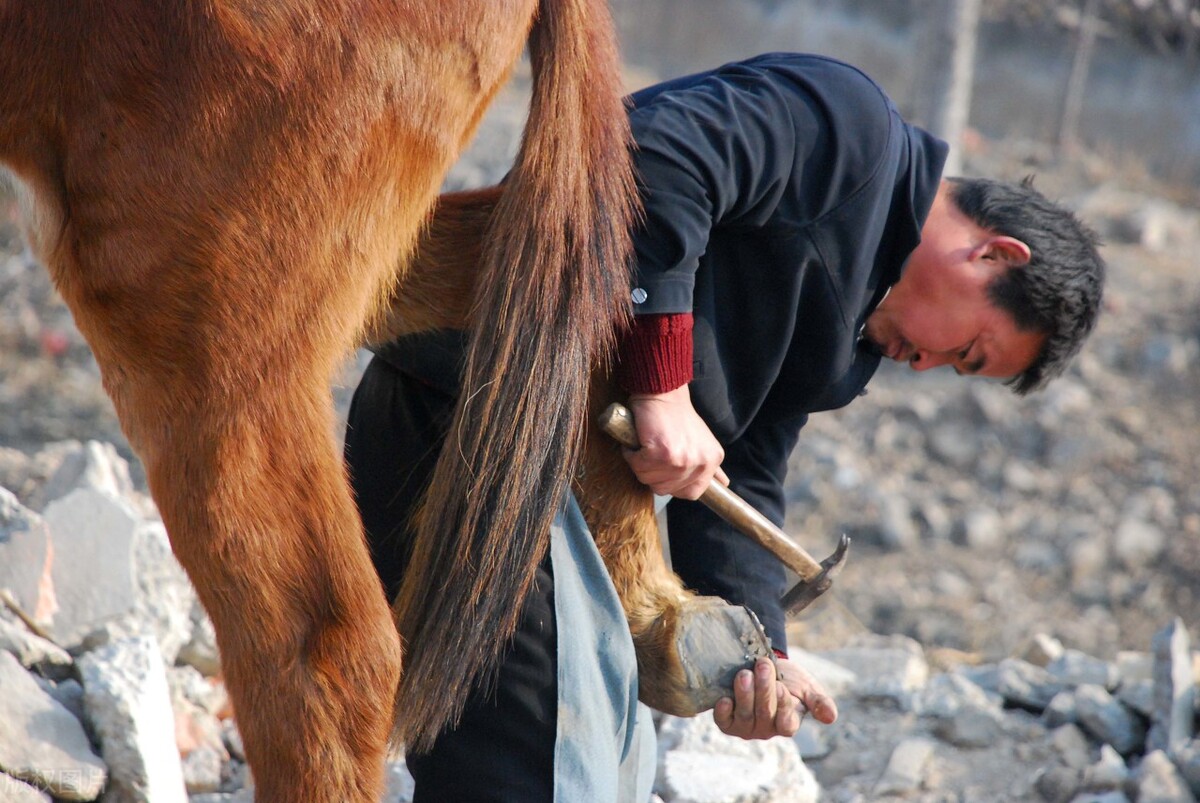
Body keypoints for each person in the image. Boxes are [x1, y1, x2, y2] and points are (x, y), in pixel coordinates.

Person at [344, 52, 1105, 801]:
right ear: (994, 254)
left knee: (581, 754)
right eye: (968, 351)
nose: (931, 365)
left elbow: (745, 472)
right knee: (543, 760)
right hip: (483, 400)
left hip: (531, 450)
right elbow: (649, 157)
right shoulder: (848, 129)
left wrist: (760, 651)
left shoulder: (846, 346)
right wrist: (663, 384)